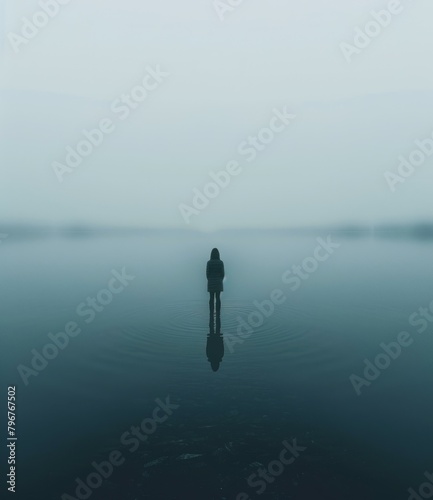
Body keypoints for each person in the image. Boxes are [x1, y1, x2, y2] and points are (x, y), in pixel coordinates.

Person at [206, 248, 224, 314]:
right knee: (218, 298)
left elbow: (207, 274)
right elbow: (222, 273)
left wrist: (210, 279)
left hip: (211, 282)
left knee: (211, 298)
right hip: (219, 282)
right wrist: (220, 279)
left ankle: (211, 312)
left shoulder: (209, 262)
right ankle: (218, 312)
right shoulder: (221, 262)